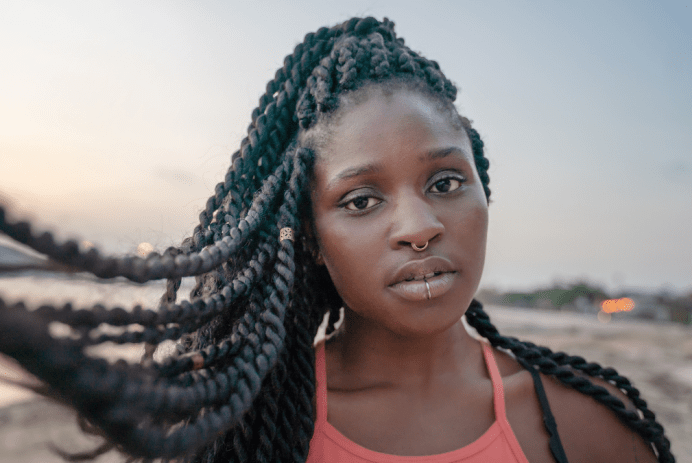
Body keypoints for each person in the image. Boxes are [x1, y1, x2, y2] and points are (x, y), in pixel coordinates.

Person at [0, 16, 674, 463]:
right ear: (312, 237)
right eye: (360, 199)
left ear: (483, 194)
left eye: (445, 182)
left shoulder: (584, 423)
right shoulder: (247, 431)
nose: (418, 226)